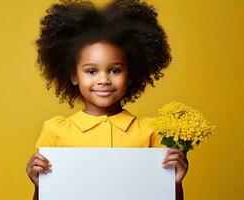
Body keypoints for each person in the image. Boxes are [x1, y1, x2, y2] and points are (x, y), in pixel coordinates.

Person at [25, 0, 188, 200]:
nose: (103, 80)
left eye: (115, 70)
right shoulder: (55, 130)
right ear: (74, 76)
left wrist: (175, 182)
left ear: (131, 75)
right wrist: (39, 185)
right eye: (91, 71)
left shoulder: (152, 131)